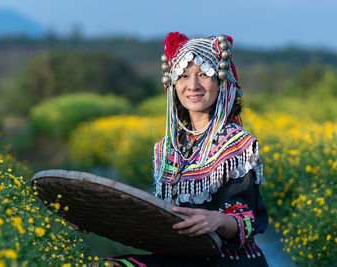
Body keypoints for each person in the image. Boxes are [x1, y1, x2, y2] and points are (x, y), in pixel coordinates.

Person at [92, 32, 268, 267]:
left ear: (222, 82)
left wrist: (216, 220)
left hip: (227, 259)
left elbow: (247, 220)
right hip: (181, 255)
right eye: (183, 76)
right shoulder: (167, 148)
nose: (192, 86)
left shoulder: (238, 144)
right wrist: (97, 219)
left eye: (203, 75)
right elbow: (163, 217)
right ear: (174, 86)